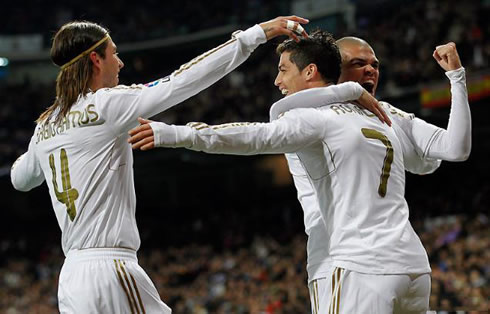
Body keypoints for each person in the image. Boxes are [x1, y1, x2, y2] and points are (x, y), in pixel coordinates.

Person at [128, 30, 471, 313]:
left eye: (283, 70)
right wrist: (456, 78)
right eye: (359, 64)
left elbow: (258, 134)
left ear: (314, 71)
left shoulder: (317, 118)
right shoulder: (385, 118)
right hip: (412, 264)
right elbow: (441, 156)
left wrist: (175, 133)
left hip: (348, 261)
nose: (277, 79)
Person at [9, 15, 318, 314]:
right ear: (95, 60)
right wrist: (255, 35)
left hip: (71, 278)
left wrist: (42, 144)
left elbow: (19, 179)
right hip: (110, 268)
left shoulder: (45, 125)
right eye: (114, 54)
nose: (121, 62)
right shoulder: (106, 105)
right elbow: (182, 81)